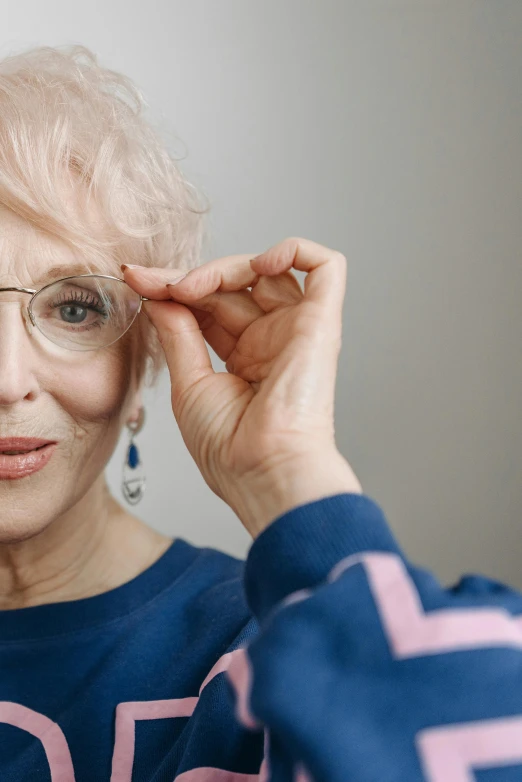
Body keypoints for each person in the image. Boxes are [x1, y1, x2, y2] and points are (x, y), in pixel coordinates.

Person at [0, 42, 520, 782]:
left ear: (148, 353)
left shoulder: (263, 655)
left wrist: (287, 478)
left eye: (76, 308)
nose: (6, 378)